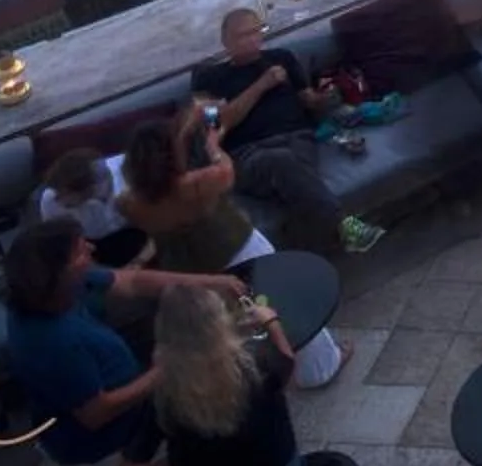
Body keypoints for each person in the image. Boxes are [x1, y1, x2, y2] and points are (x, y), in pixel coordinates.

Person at [3, 217, 248, 466]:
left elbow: (132, 282)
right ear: (59, 272)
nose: (91, 249)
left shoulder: (64, 289)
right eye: (80, 251)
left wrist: (209, 282)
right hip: (104, 452)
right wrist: (165, 369)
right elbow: (95, 412)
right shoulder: (53, 342)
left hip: (87, 450)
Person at [116, 108, 349, 387]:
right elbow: (227, 171)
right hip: (236, 248)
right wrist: (213, 143)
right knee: (286, 301)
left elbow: (159, 226)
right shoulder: (197, 185)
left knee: (230, 324)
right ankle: (320, 368)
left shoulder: (129, 203)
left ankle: (250, 376)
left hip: (187, 267)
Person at [186, 11, 382, 256]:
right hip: (247, 154)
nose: (252, 39)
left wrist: (327, 97)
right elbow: (217, 123)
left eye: (256, 32)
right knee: (282, 162)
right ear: (225, 41)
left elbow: (308, 100)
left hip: (297, 139)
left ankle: (309, 261)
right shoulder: (209, 78)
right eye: (242, 35)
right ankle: (345, 226)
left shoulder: (282, 58)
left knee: (291, 174)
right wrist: (261, 84)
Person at [149, 285, 314, 466]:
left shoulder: (162, 388)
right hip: (272, 464)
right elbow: (287, 368)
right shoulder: (255, 363)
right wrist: (272, 323)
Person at [39, 151, 152, 270]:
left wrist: (139, 262)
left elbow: (154, 233)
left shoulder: (126, 192)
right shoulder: (50, 198)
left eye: (62, 195)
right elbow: (57, 242)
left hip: (129, 234)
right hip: (86, 243)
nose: (57, 200)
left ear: (87, 192)